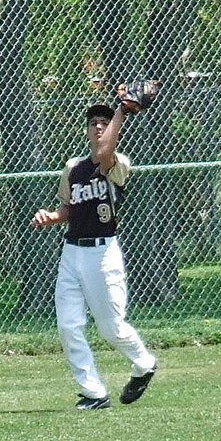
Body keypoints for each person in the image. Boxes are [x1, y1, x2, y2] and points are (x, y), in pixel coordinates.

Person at [31, 100, 157, 410]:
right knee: (68, 325)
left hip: (103, 255)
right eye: (93, 123)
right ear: (87, 130)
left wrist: (122, 112)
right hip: (71, 252)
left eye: (103, 121)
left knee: (111, 328)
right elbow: (70, 207)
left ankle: (144, 364)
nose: (98, 126)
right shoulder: (74, 168)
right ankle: (94, 392)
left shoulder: (117, 163)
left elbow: (103, 154)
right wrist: (51, 216)